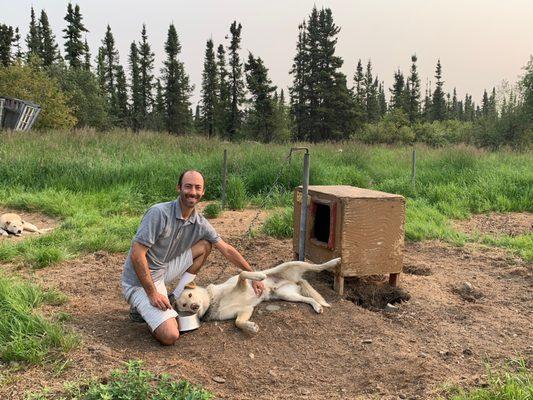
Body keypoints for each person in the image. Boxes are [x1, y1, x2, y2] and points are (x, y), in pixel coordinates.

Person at [121, 170, 264, 345]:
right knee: (170, 335)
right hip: (138, 280)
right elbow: (137, 255)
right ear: (179, 188)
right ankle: (143, 309)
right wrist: (152, 294)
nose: (193, 192)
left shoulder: (199, 222)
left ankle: (175, 295)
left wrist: (252, 274)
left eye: (198, 188)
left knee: (205, 245)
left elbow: (226, 249)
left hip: (163, 268)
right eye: (188, 186)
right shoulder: (159, 213)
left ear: (203, 192)